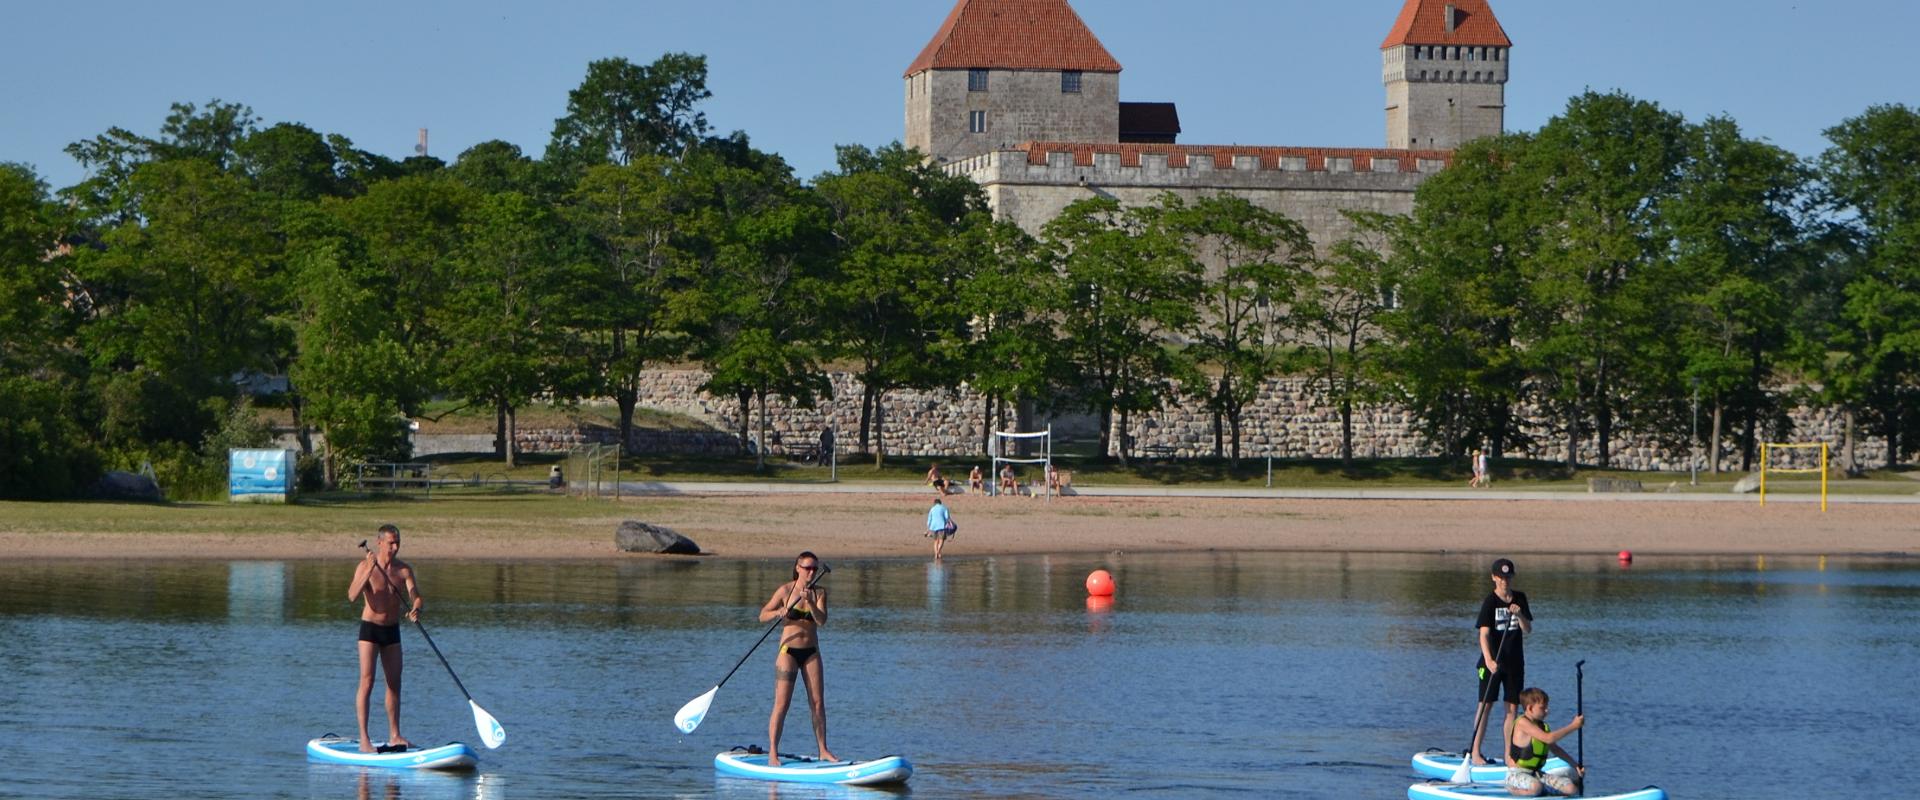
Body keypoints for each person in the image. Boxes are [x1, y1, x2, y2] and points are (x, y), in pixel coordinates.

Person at [347, 524, 422, 753]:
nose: (395, 547)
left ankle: (395, 734)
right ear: (379, 542)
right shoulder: (365, 565)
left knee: (394, 683)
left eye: (398, 542)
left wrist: (416, 608)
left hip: (392, 631)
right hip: (370, 629)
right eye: (391, 542)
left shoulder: (403, 570)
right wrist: (369, 571)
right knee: (367, 681)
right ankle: (364, 740)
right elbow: (351, 595)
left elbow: (415, 595)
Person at [759, 552, 837, 766]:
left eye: (814, 568)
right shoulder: (785, 590)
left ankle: (823, 750)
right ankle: (773, 753)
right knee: (782, 704)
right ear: (798, 568)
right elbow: (762, 614)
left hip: (811, 652)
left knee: (818, 703)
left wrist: (810, 603)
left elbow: (821, 621)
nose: (811, 572)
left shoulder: (819, 593)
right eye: (807, 568)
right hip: (788, 653)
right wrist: (778, 612)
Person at [1471, 557, 1533, 765]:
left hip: (1515, 663)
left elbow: (1528, 629)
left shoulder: (1520, 598)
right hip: (1492, 663)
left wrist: (1520, 614)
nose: (1504, 581)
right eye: (1501, 577)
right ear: (1494, 578)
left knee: (1513, 709)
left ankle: (1508, 755)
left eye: (1508, 577)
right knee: (1486, 705)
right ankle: (1475, 752)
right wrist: (1488, 660)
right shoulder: (1490, 602)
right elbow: (1484, 635)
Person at [1505, 687, 1584, 796]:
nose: (1547, 710)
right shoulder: (1522, 723)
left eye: (1547, 707)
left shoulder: (1543, 727)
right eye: (1543, 708)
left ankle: (1542, 792)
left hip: (1537, 774)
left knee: (1571, 789)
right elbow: (1548, 738)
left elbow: (1555, 749)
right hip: (1516, 775)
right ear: (1530, 708)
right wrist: (1573, 726)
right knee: (1536, 787)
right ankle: (1514, 791)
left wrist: (1575, 765)